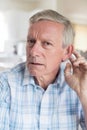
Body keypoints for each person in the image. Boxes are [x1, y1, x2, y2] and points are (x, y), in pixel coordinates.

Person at [0, 9, 87, 130]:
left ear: (67, 52)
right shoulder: (4, 84)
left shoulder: (78, 84)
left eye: (46, 43)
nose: (33, 51)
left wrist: (83, 92)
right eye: (31, 41)